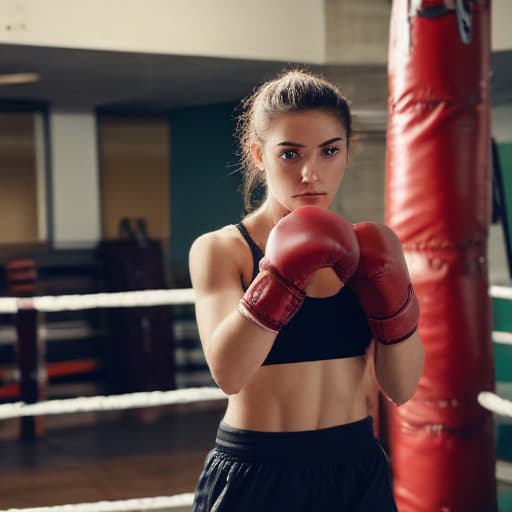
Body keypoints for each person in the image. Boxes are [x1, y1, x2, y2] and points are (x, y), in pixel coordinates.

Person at [188, 68, 424, 511]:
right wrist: (281, 276)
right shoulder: (223, 250)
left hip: (355, 468)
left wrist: (394, 304)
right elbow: (229, 374)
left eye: (329, 151)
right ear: (259, 155)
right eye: (290, 154)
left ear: (348, 153)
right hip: (258, 470)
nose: (310, 173)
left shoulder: (369, 250)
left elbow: (403, 386)